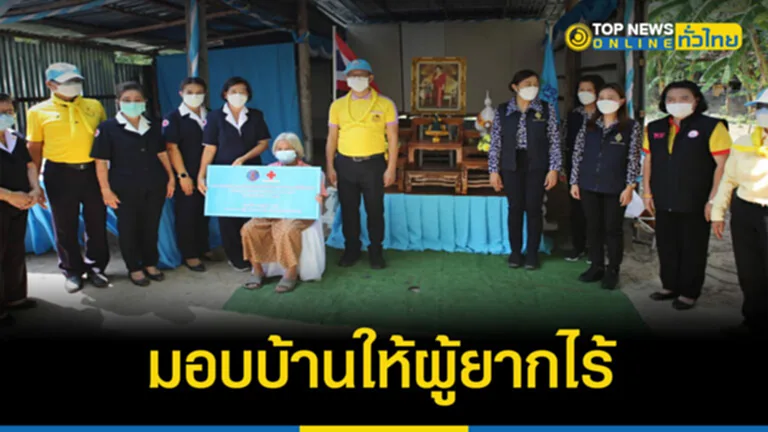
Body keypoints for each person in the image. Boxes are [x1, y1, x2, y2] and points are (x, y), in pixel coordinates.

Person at [642, 80, 731, 310]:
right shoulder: (654, 127)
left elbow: (722, 166)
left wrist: (713, 200)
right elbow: (648, 161)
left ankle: (689, 292)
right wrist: (647, 192)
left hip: (696, 199)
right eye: (671, 99)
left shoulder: (712, 126)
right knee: (666, 244)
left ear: (696, 100)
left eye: (684, 98)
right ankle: (669, 286)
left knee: (693, 246)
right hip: (663, 196)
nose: (677, 103)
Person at [26, 63, 110, 293]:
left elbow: (105, 138)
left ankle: (96, 267)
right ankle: (72, 270)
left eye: (76, 81)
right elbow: (34, 148)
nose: (74, 85)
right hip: (59, 173)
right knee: (64, 225)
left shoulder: (94, 105)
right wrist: (34, 184)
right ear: (50, 85)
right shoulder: (38, 112)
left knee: (96, 221)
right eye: (67, 82)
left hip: (92, 171)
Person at [91, 82, 175, 287]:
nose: (133, 104)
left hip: (154, 185)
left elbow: (162, 154)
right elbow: (101, 162)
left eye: (137, 100)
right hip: (124, 188)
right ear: (118, 102)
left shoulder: (153, 125)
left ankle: (150, 263)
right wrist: (105, 190)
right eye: (127, 100)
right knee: (128, 229)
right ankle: (134, 267)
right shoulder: (108, 128)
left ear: (145, 102)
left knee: (151, 227)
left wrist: (171, 178)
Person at [326, 59, 398, 269]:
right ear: (346, 79)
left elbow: (393, 138)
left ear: (370, 78)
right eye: (352, 75)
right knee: (349, 210)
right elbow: (332, 138)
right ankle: (352, 249)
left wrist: (391, 168)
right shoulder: (337, 105)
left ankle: (376, 251)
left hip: (373, 164)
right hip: (345, 164)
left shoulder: (385, 104)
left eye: (361, 75)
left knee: (375, 210)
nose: (357, 79)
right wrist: (330, 166)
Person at [569, 83, 642, 290]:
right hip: (588, 184)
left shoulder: (630, 127)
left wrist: (630, 186)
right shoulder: (589, 125)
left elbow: (633, 158)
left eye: (610, 97)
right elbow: (577, 154)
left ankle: (613, 270)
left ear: (621, 101)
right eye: (601, 97)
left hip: (615, 187)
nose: (605, 101)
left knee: (612, 229)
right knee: (593, 227)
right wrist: (574, 181)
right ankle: (597, 266)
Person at [488, 69, 562, 270]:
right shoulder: (503, 110)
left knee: (534, 208)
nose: (532, 88)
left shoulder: (545, 109)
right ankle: (515, 252)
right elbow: (495, 142)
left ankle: (532, 253)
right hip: (511, 164)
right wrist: (493, 170)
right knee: (515, 208)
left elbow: (554, 140)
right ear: (515, 87)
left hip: (537, 164)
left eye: (535, 85)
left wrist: (554, 169)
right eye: (527, 84)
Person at [198, 77, 271, 272]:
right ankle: (237, 258)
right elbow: (210, 148)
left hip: (252, 172)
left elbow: (263, 143)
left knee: (252, 213)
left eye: (243, 91)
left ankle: (256, 255)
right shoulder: (214, 117)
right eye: (234, 91)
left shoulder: (255, 115)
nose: (238, 95)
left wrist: (244, 158)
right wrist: (201, 175)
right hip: (224, 174)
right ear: (225, 94)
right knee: (228, 217)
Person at [711, 88, 768, 336]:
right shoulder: (744, 142)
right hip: (745, 211)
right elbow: (729, 179)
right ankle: (753, 322)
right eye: (761, 108)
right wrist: (718, 212)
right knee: (749, 271)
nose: (763, 113)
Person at [241, 132, 327, 293]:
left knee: (286, 229)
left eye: (287, 148)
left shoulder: (310, 172)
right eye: (279, 149)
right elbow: (261, 195)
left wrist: (318, 201)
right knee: (248, 228)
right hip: (272, 212)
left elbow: (320, 204)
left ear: (297, 150)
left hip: (299, 213)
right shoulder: (270, 170)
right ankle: (258, 270)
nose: (283, 152)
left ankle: (291, 272)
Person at [0, 93, 44, 327]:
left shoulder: (15, 137)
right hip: (6, 200)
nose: (6, 116)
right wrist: (9, 195)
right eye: (1, 112)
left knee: (15, 250)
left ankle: (15, 297)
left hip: (20, 203)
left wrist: (35, 189)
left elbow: (29, 165)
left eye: (9, 112)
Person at [163, 77, 211, 272]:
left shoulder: (212, 115)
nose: (194, 96)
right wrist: (182, 175)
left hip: (209, 172)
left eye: (199, 92)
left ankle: (203, 248)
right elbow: (171, 147)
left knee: (204, 212)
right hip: (187, 173)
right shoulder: (173, 118)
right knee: (187, 213)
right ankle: (189, 254)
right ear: (181, 94)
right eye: (190, 92)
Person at [563, 75, 605, 262]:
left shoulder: (604, 114)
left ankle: (596, 249)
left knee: (597, 210)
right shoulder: (574, 115)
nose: (585, 93)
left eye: (589, 90)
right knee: (577, 208)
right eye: (581, 90)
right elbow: (565, 140)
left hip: (599, 168)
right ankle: (578, 246)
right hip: (575, 168)